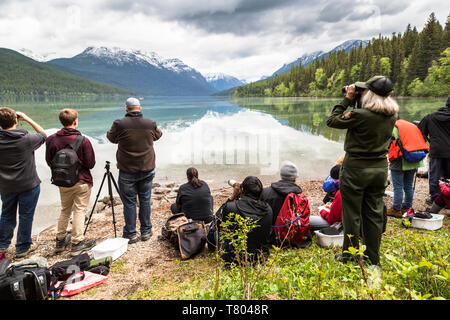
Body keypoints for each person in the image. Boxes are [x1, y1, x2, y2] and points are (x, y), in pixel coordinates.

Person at [326, 75, 399, 265]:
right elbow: (373, 112)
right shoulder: (392, 114)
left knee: (351, 213)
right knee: (373, 214)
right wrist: (360, 99)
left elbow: (332, 121)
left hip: (355, 169)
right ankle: (372, 259)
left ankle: (349, 255)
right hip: (379, 170)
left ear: (370, 94)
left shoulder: (359, 115)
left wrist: (348, 99)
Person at [107, 97, 163, 243]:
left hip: (127, 170)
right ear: (140, 108)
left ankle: (131, 234)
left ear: (126, 108)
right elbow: (158, 135)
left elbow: (111, 138)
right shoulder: (150, 123)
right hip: (147, 168)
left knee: (129, 202)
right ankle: (146, 231)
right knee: (145, 199)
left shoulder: (119, 123)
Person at [45, 108, 96, 256]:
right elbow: (90, 163)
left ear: (61, 121)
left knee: (65, 209)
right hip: (82, 181)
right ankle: (77, 243)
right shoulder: (83, 140)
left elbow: (50, 162)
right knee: (79, 210)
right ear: (75, 122)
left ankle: (60, 241)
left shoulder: (52, 140)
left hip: (63, 181)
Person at [0, 107, 47, 258]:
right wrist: (26, 118)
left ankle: (2, 245)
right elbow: (44, 135)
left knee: (7, 215)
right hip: (28, 184)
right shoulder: (26, 139)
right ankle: (22, 247)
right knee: (26, 215)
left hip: (6, 186)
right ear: (16, 121)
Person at [208, 176, 273, 264]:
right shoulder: (268, 209)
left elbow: (217, 221)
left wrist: (233, 197)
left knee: (213, 227)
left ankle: (211, 248)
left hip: (234, 259)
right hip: (260, 257)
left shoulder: (231, 207)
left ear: (242, 191)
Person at [387, 119, 428, 218]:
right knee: (408, 186)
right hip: (414, 160)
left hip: (399, 161)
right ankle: (407, 206)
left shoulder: (392, 128)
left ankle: (396, 209)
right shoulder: (411, 126)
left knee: (398, 187)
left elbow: (387, 144)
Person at [259, 161, 303, 244]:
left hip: (269, 237)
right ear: (295, 178)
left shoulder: (265, 192)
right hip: (291, 235)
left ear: (281, 176)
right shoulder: (299, 196)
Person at [418, 95, 450, 205]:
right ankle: (447, 199)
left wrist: (427, 144)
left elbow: (420, 131)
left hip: (436, 150)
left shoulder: (430, 116)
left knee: (435, 175)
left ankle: (435, 199)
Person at [310, 165, 342, 231]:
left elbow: (332, 219)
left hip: (342, 225)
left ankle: (311, 239)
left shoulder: (340, 192)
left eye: (334, 180)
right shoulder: (354, 186)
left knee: (308, 220)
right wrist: (333, 206)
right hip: (355, 223)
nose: (334, 182)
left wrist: (322, 211)